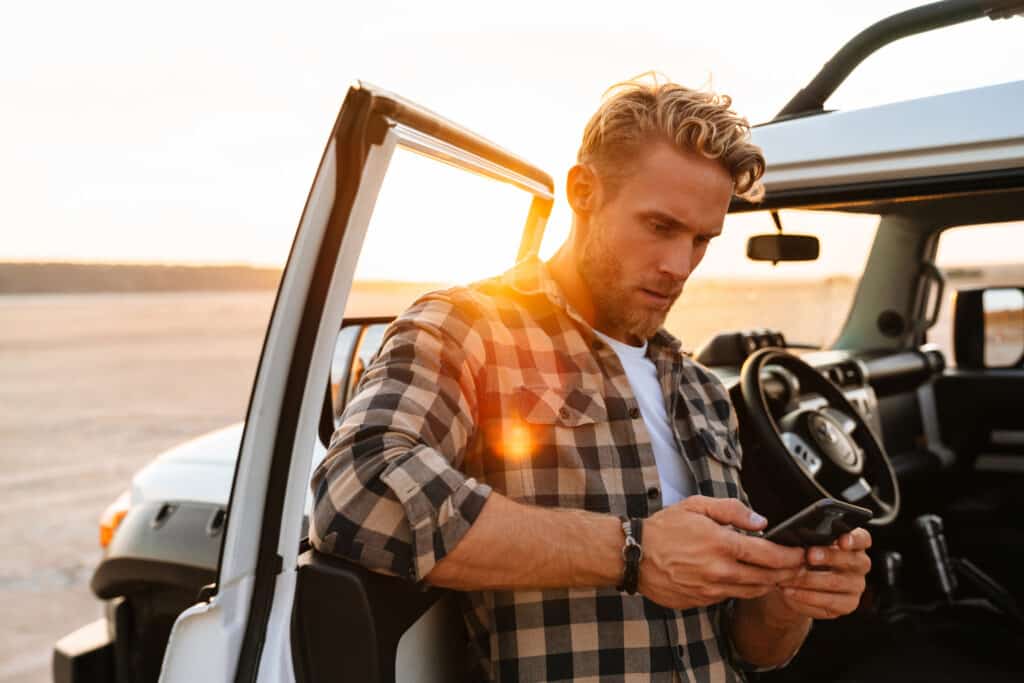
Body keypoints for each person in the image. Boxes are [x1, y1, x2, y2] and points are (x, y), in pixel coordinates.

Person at [310, 76, 872, 682]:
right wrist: (630, 552)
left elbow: (744, 649)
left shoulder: (706, 394)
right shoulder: (467, 328)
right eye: (659, 227)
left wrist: (787, 603)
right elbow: (354, 493)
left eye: (702, 239)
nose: (679, 266)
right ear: (583, 192)